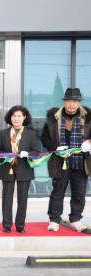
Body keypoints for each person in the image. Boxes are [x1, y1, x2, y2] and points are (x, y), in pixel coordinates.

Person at [41, 87, 91, 232]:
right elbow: (44, 138)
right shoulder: (53, 118)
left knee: (79, 193)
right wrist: (56, 148)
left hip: (81, 162)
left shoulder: (88, 118)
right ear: (64, 102)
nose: (71, 104)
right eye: (68, 101)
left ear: (79, 103)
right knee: (58, 191)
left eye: (74, 101)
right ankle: (54, 220)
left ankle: (75, 219)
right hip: (60, 162)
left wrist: (89, 142)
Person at [0, 105, 42, 233]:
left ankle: (20, 225)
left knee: (22, 199)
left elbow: (37, 151)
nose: (16, 118)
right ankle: (7, 225)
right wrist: (5, 155)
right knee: (7, 198)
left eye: (19, 116)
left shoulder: (31, 134)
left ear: (24, 117)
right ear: (10, 118)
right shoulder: (3, 133)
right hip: (7, 169)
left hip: (24, 169)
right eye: (14, 116)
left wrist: (28, 154)